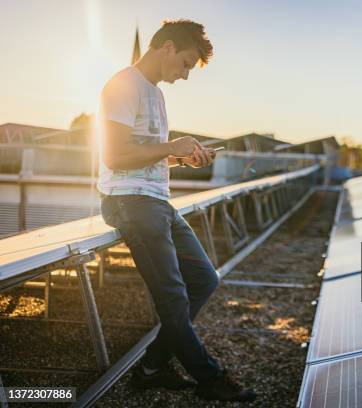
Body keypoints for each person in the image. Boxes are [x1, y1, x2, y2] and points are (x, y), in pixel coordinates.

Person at [97, 19, 256, 402]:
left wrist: (183, 159)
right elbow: (115, 155)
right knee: (173, 296)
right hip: (129, 202)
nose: (185, 75)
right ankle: (209, 377)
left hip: (154, 200)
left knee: (204, 279)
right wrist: (171, 146)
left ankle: (152, 368)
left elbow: (146, 156)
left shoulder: (155, 92)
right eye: (185, 63)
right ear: (166, 46)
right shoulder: (122, 85)